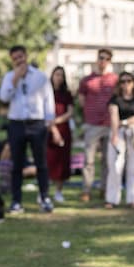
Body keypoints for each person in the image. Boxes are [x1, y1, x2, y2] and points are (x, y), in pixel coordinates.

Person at [0, 45, 56, 214]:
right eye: (15, 58)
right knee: (17, 164)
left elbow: (48, 99)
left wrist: (49, 120)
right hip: (17, 123)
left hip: (36, 123)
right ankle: (16, 201)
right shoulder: (9, 77)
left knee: (41, 163)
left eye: (21, 57)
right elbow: (4, 97)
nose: (19, 60)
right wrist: (15, 79)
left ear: (26, 56)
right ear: (12, 60)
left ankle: (44, 197)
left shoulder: (39, 76)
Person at [77, 48, 118, 203]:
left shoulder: (115, 80)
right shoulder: (87, 80)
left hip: (109, 124)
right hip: (92, 124)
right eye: (101, 58)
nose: (103, 61)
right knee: (89, 160)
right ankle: (86, 189)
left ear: (110, 61)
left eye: (106, 58)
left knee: (107, 159)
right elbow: (81, 99)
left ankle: (105, 188)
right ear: (97, 59)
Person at [105, 71, 134, 208]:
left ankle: (133, 198)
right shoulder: (115, 99)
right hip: (119, 132)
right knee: (116, 165)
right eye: (123, 81)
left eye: (129, 81)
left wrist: (126, 122)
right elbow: (114, 116)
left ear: (133, 83)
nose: (126, 84)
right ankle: (112, 198)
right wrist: (115, 133)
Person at [46, 66, 74, 203]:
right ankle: (44, 192)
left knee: (62, 162)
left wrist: (55, 121)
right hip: (47, 130)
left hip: (63, 130)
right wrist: (51, 125)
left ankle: (58, 191)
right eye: (56, 74)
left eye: (61, 75)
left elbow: (69, 112)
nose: (59, 77)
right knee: (47, 160)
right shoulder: (46, 92)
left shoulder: (67, 94)